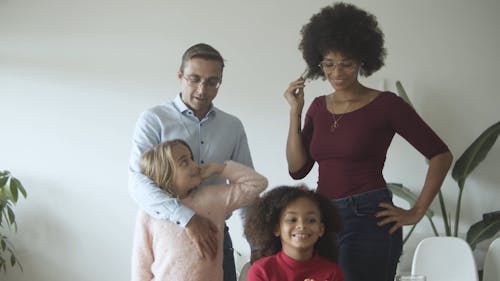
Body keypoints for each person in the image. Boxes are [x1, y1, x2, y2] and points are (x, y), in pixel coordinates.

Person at [283, 3, 453, 281]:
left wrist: (417, 210)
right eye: (328, 64)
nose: (336, 72)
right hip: (321, 218)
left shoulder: (386, 105)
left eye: (346, 64)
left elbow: (440, 155)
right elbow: (297, 168)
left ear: (363, 60)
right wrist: (295, 111)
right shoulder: (316, 106)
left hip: (367, 217)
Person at [128, 43, 253, 281]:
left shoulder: (232, 127)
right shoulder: (154, 120)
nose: (202, 90)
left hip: (216, 236)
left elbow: (246, 190)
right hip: (164, 234)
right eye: (194, 79)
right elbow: (137, 181)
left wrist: (258, 246)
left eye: (212, 82)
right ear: (180, 76)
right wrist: (187, 217)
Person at [131, 139, 267, 281]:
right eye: (184, 162)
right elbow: (141, 265)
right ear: (164, 173)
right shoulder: (149, 213)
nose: (195, 165)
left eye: (192, 159)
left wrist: (220, 169)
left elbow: (257, 184)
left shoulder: (213, 198)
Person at [244, 185, 345, 281]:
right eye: (292, 219)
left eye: (311, 220)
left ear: (321, 229)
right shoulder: (261, 271)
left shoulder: (333, 273)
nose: (302, 225)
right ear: (276, 228)